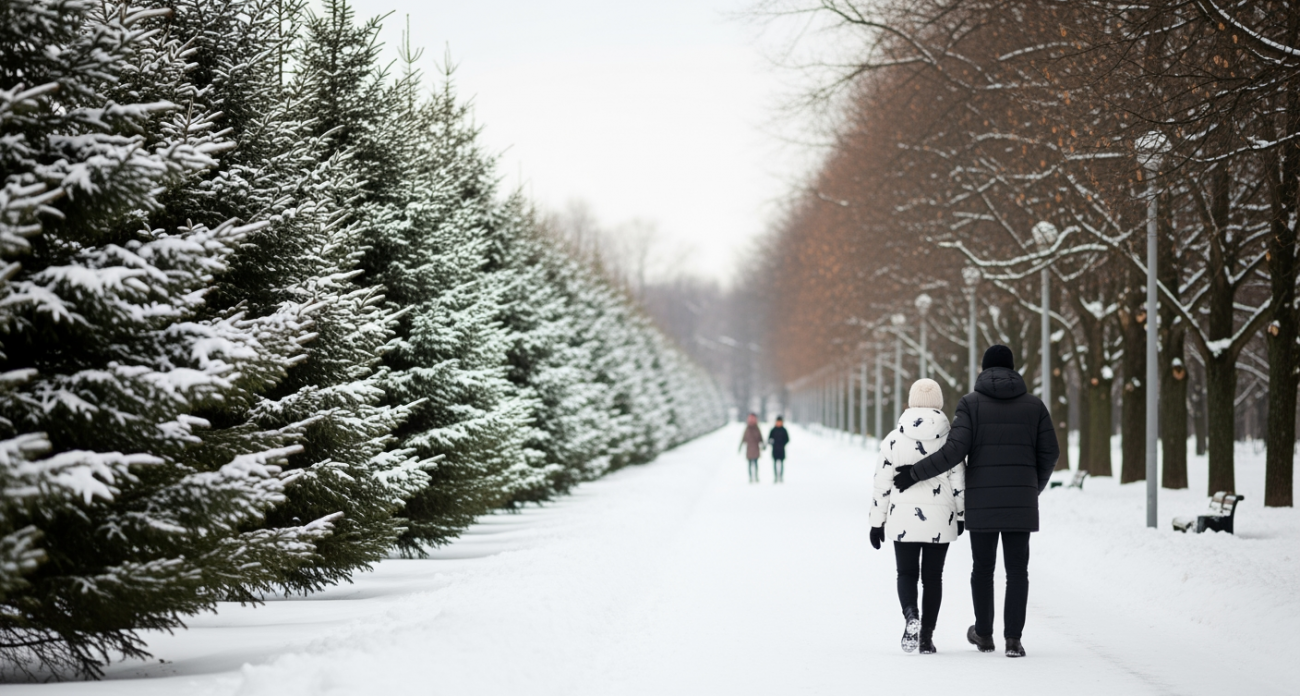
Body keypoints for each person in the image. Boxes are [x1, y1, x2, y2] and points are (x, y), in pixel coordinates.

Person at [893, 345, 1058, 658]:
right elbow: (1051, 452)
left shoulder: (971, 404)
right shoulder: (1034, 406)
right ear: (1013, 369)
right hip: (1020, 500)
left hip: (981, 498)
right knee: (1017, 571)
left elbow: (953, 452)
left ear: (984, 370)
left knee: (983, 569)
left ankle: (983, 633)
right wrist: (1031, 487)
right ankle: (1013, 640)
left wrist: (915, 473)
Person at [869, 379, 965, 654]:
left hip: (903, 519)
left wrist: (876, 523)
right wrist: (961, 515)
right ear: (939, 402)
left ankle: (911, 615)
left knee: (907, 573)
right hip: (941, 518)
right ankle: (926, 637)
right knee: (933, 577)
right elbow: (959, 480)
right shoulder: (951, 439)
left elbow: (882, 484)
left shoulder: (893, 438)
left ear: (911, 401)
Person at [738, 413, 764, 483]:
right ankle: (751, 477)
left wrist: (763, 445)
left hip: (755, 449)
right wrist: (740, 447)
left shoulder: (757, 428)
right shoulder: (748, 428)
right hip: (749, 449)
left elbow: (760, 438)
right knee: (750, 464)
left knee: (755, 464)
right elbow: (743, 438)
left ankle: (756, 477)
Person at [767, 416, 789, 483]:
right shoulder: (773, 430)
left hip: (782, 450)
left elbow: (787, 439)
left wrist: (783, 443)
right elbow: (769, 439)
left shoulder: (784, 430)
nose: (779, 423)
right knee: (775, 464)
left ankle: (781, 476)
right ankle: (775, 477)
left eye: (780, 422)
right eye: (778, 422)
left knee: (781, 464)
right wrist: (772, 443)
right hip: (775, 450)